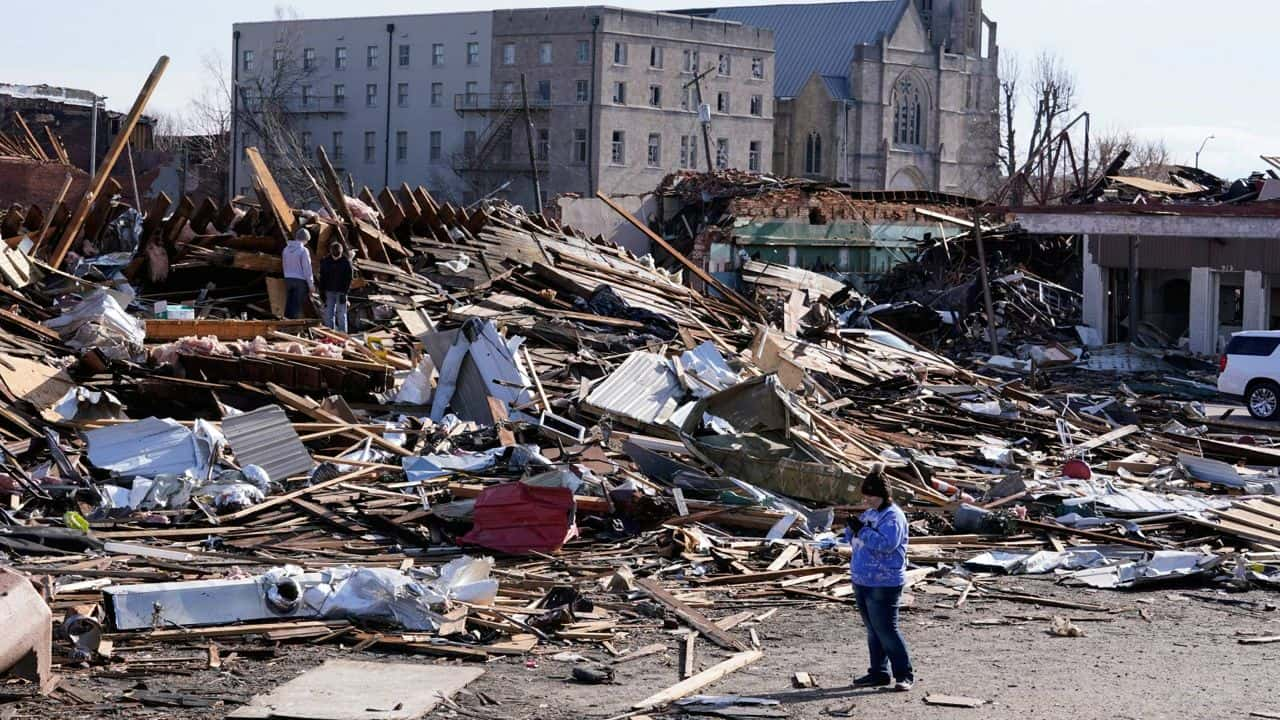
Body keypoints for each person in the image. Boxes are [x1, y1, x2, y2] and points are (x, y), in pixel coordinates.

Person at [844, 463, 914, 691]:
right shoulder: (870, 513)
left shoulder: (893, 517)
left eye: (871, 498)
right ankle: (878, 673)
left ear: (882, 495)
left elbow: (887, 544)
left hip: (884, 581)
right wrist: (851, 528)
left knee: (886, 629)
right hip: (863, 578)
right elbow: (853, 537)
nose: (868, 502)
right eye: (866, 498)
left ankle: (904, 675)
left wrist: (861, 530)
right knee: (873, 630)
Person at [319, 240, 354, 332]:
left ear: (341, 252)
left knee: (341, 314)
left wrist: (345, 292)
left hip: (341, 291)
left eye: (338, 254)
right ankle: (330, 333)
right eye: (335, 253)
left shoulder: (346, 263)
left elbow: (349, 279)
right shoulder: (325, 261)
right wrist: (321, 292)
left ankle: (343, 335)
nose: (336, 255)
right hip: (329, 291)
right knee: (328, 314)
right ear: (331, 252)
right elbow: (322, 277)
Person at [282, 227, 314, 319]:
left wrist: (286, 276)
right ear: (305, 239)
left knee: (289, 304)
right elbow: (307, 268)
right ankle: (293, 327)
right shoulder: (303, 251)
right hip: (300, 281)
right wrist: (311, 284)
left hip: (288, 279)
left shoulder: (286, 249)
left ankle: (285, 323)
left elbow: (284, 264)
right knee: (296, 306)